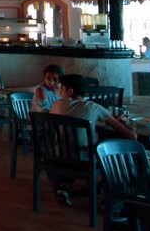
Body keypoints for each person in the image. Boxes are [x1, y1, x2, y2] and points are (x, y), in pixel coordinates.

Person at [48, 73, 136, 205]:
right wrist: (124, 123)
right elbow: (132, 136)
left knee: (73, 148)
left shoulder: (56, 105)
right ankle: (111, 196)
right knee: (111, 152)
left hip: (57, 157)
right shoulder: (93, 107)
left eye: (62, 89)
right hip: (84, 161)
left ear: (70, 91)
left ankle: (65, 186)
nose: (60, 92)